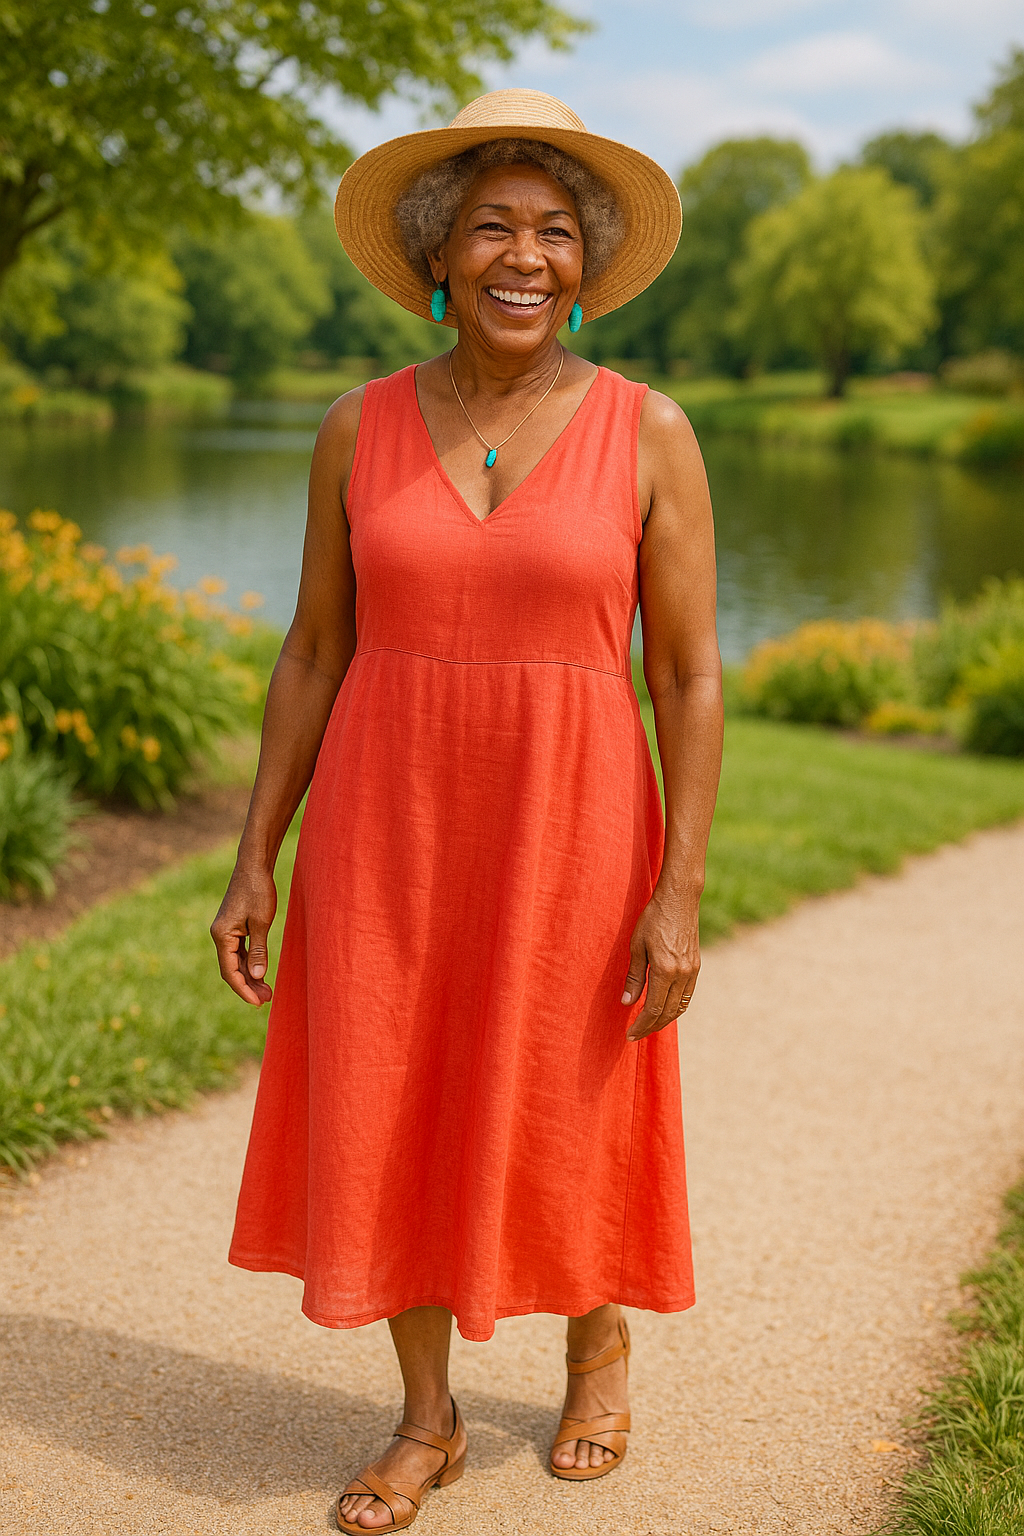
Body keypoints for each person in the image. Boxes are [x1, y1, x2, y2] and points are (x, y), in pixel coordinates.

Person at [211, 88, 723, 1534]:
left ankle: (595, 1341)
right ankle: (425, 1416)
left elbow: (684, 672)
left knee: (571, 1081)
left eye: (555, 231)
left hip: (573, 821)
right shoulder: (352, 426)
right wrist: (256, 853)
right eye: (492, 224)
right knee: (391, 1083)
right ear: (439, 254)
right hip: (386, 825)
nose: (524, 254)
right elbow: (315, 649)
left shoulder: (651, 431)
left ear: (586, 268)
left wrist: (680, 886)